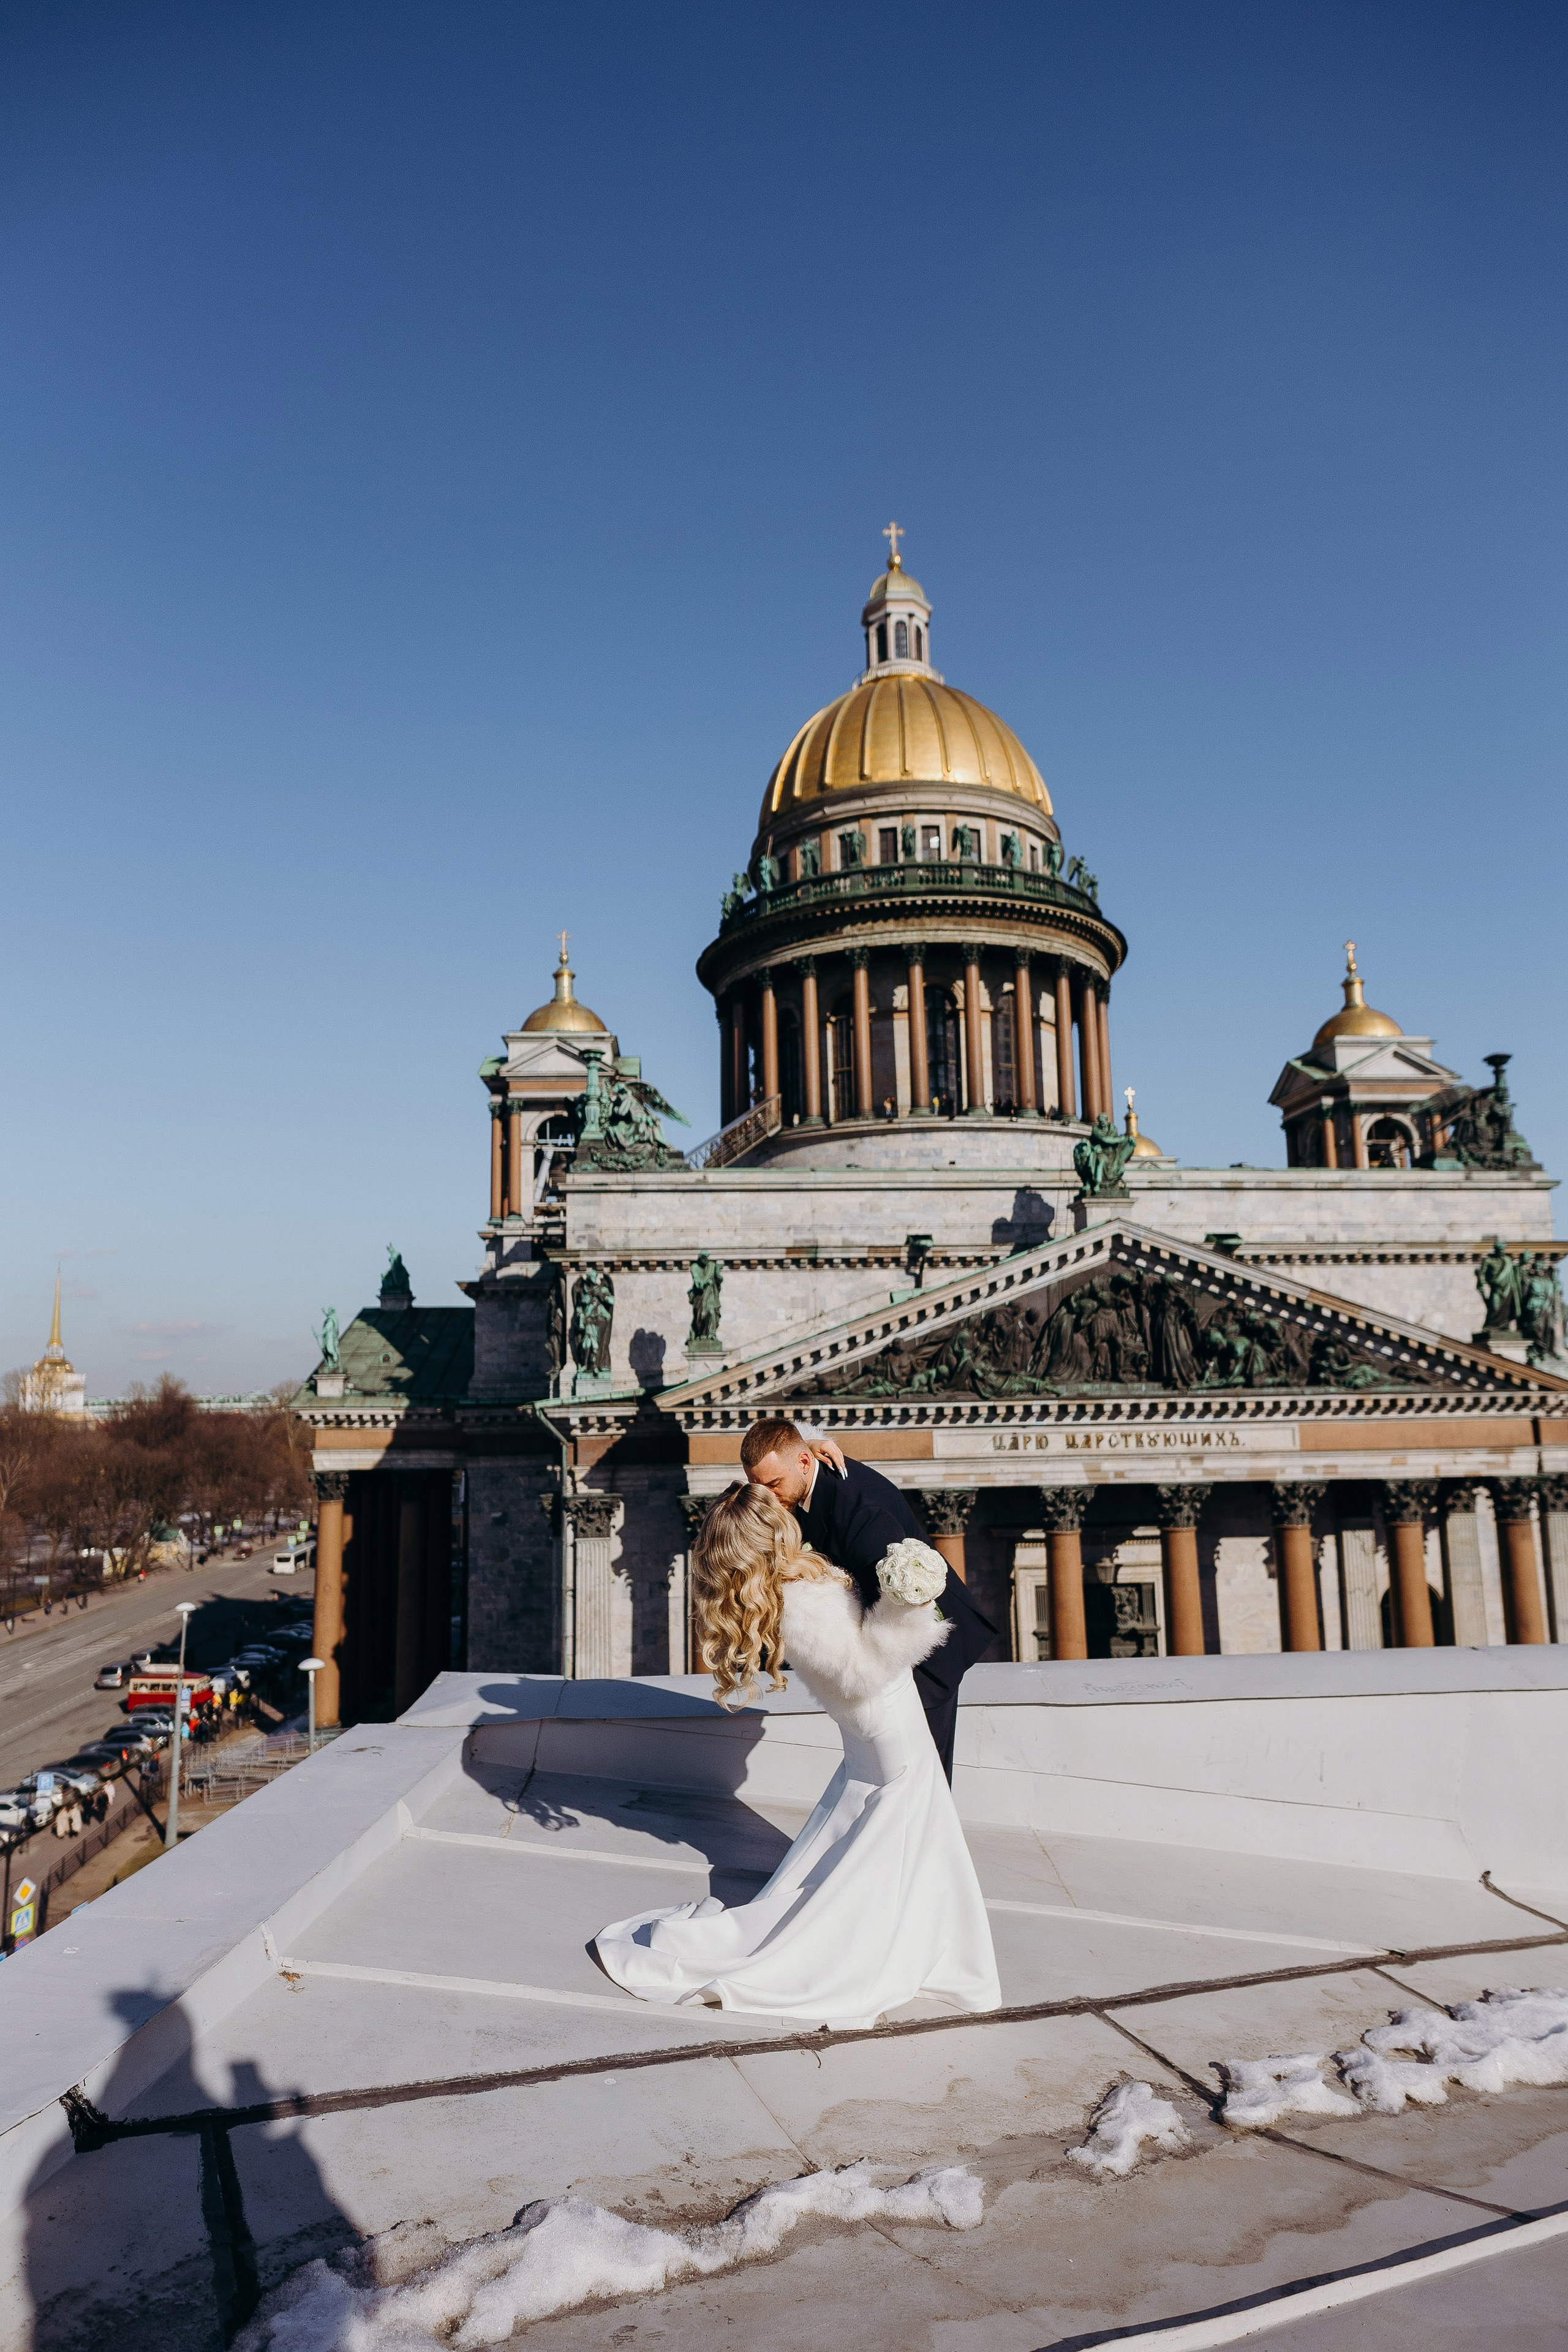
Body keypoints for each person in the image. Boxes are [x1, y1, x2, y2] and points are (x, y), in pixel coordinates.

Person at [592, 1482, 1000, 2028]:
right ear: (773, 1533)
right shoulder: (801, 1599)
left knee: (901, 1835)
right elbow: (864, 1670)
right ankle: (924, 1951)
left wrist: (819, 1450)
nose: (790, 1513)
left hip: (873, 1726)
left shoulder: (788, 1584)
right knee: (909, 1833)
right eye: (779, 1513)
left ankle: (926, 1941)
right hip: (886, 1720)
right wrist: (910, 1607)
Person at [741, 1416, 999, 1780]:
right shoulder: (802, 1477)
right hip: (893, 1650)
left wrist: (856, 1672)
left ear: (803, 1464)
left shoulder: (862, 1516)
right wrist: (812, 1444)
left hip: (927, 1655)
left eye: (774, 1484)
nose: (767, 1497)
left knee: (920, 1771)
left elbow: (907, 1608)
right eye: (758, 1486)